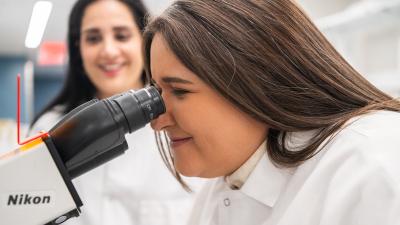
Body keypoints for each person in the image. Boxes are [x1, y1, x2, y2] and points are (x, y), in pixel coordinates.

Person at [143, 0, 400, 225]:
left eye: (179, 91)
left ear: (256, 80)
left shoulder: (371, 167)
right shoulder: (225, 184)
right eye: (157, 91)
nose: (157, 121)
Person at [30, 0, 199, 224]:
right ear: (78, 48)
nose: (108, 51)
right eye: (93, 38)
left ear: (144, 41)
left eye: (121, 36)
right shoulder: (48, 128)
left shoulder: (183, 126)